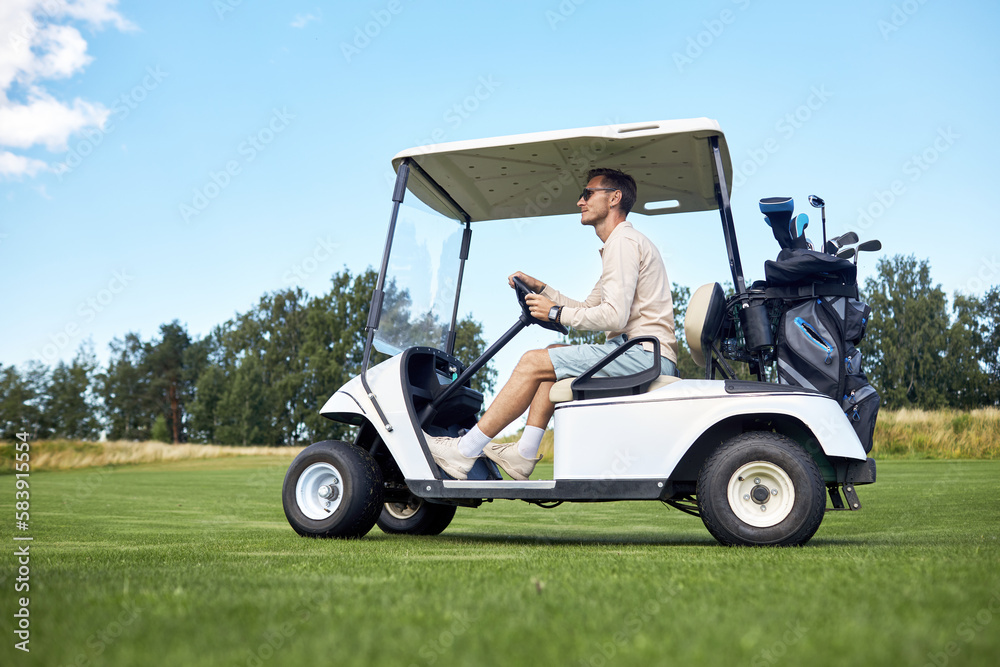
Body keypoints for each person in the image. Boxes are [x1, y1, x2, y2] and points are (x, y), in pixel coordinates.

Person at [426, 168, 679, 480]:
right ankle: (524, 453)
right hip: (634, 352)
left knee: (532, 362)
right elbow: (588, 308)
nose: (579, 201)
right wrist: (544, 291)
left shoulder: (623, 243)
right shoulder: (621, 244)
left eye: (588, 194)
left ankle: (464, 451)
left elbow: (613, 317)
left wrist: (555, 313)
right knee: (553, 354)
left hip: (643, 356)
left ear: (614, 198)